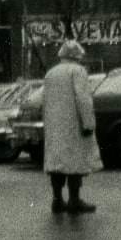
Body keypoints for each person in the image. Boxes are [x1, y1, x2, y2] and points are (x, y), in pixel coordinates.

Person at [42, 39, 102, 213]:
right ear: (77, 55)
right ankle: (74, 199)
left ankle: (57, 199)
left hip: (55, 125)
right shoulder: (77, 71)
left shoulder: (51, 73)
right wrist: (88, 123)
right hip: (73, 123)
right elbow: (83, 98)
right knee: (75, 162)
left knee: (57, 162)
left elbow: (45, 100)